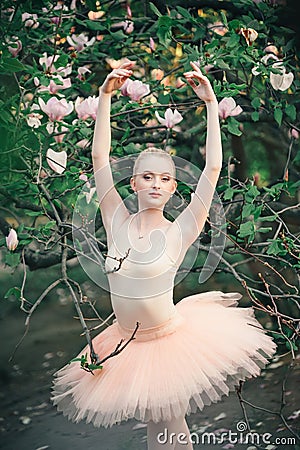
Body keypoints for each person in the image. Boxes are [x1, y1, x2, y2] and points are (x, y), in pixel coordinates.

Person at [52, 61, 276, 449]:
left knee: (170, 422)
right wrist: (105, 97)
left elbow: (213, 167)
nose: (156, 184)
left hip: (167, 342)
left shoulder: (180, 231)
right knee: (159, 427)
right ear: (134, 182)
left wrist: (209, 105)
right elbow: (100, 160)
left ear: (174, 188)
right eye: (147, 176)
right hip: (124, 343)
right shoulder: (114, 218)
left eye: (165, 178)